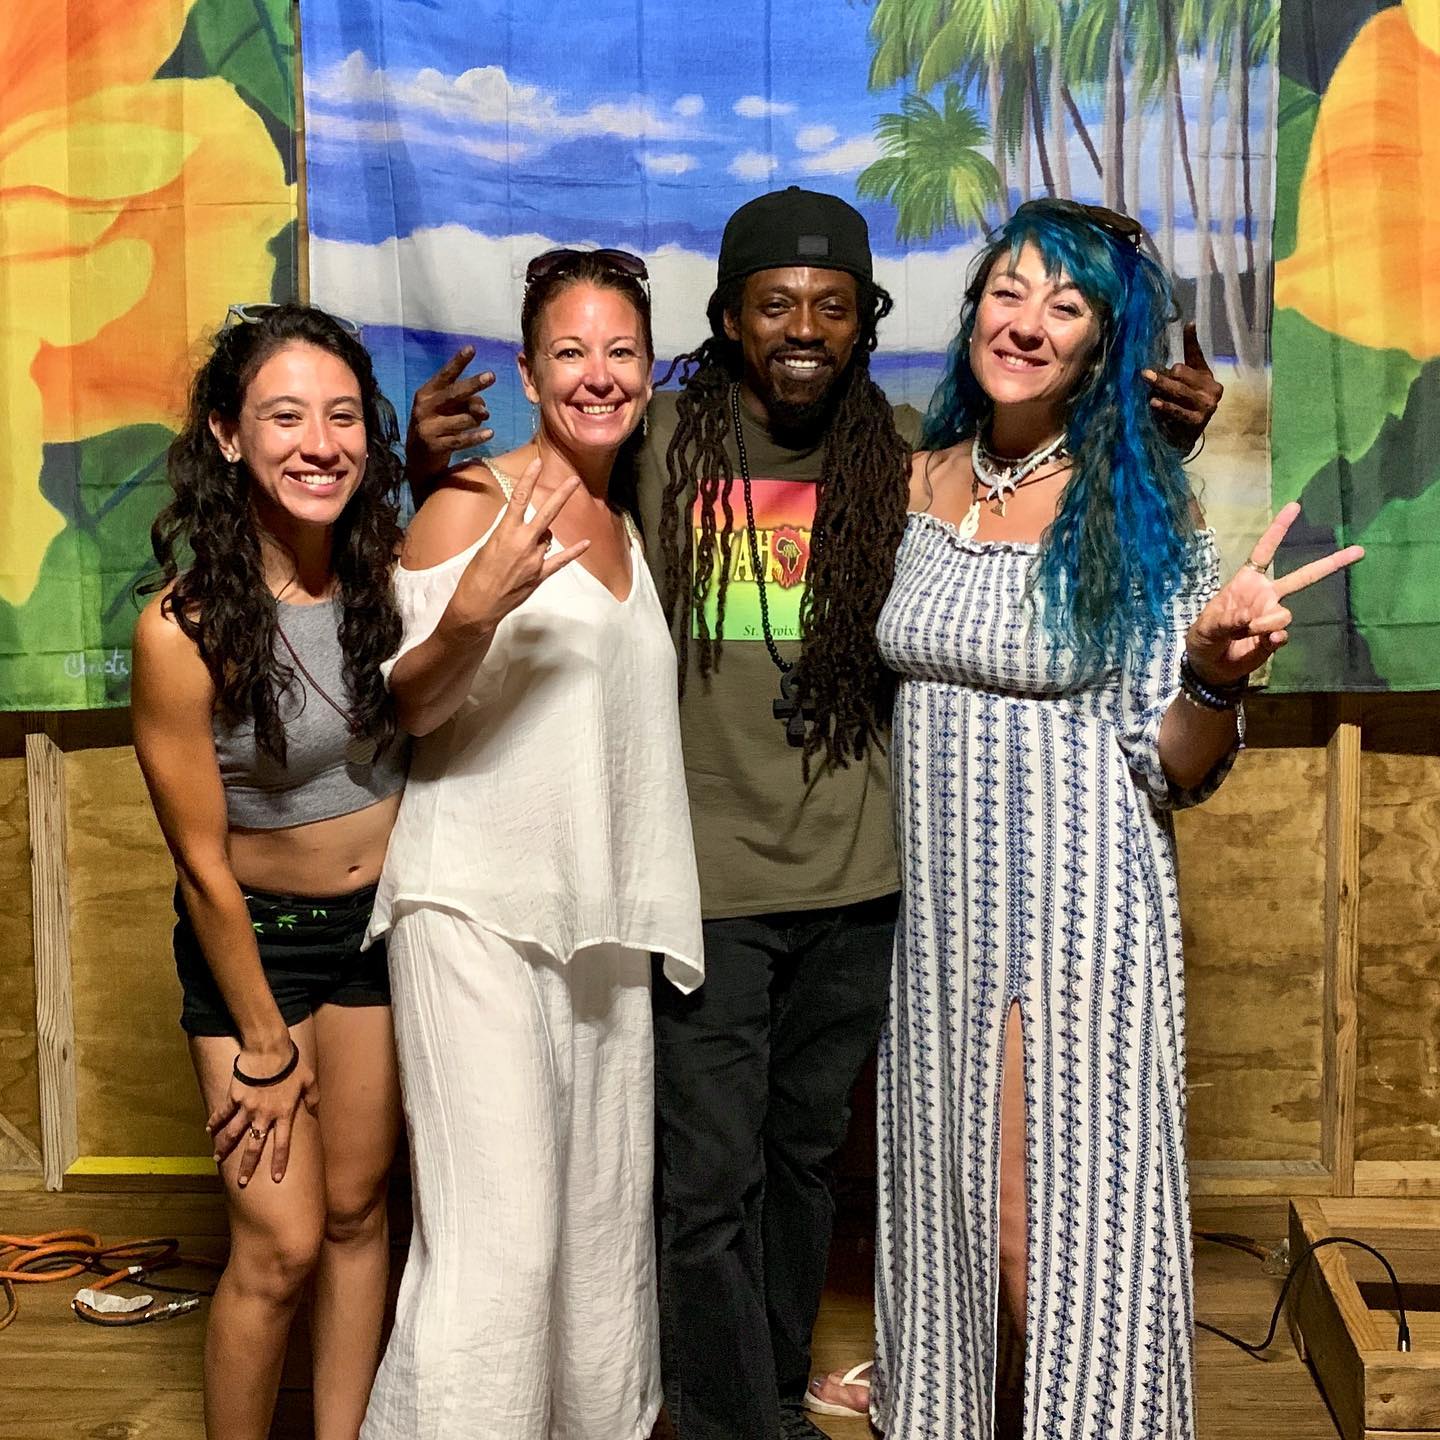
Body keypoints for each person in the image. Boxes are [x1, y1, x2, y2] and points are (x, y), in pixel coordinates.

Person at [407, 187, 1223, 1440]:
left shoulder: (903, 453)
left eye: (831, 307)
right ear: (729, 320)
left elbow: (1054, 478)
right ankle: (731, 1423)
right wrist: (423, 466)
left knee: (802, 1167)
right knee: (707, 1186)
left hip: (862, 882)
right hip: (708, 882)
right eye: (775, 304)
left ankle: (774, 1395)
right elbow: (544, 466)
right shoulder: (659, 437)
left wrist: (1162, 434)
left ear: (864, 322)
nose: (802, 328)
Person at [867, 199, 1362, 1438]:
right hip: (938, 929)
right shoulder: (919, 480)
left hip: (1075, 923)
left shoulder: (1136, 508)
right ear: (975, 307)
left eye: (1067, 305)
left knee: (1042, 1253)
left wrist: (1214, 675)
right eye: (1010, 291)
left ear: (1101, 346)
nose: (1027, 323)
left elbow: (1175, 766)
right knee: (951, 1232)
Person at [360, 248, 703, 1440]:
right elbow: (408, 704)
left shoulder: (628, 520)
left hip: (602, 928)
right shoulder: (468, 504)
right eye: (570, 352)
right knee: (496, 1255)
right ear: (526, 371)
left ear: (650, 369)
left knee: (598, 1257)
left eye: (621, 351)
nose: (597, 375)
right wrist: (469, 613)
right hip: (475, 915)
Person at [131, 303, 409, 1440]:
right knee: (280, 1246)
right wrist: (261, 1040)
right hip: (257, 946)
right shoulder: (183, 628)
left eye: (343, 416)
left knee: (355, 1214)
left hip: (378, 935)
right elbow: (200, 865)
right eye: (285, 417)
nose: (319, 443)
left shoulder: (391, 577)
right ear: (228, 434)